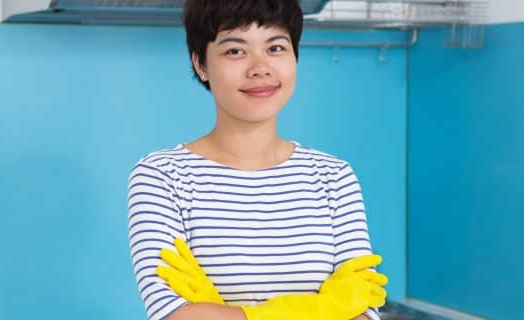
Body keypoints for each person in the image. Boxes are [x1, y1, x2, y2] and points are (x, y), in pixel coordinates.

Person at [126, 1, 387, 319]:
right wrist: (322, 309)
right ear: (201, 64)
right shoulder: (161, 177)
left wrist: (230, 312)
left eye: (276, 47)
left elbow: (363, 309)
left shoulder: (333, 176)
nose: (260, 68)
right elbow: (175, 314)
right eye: (236, 51)